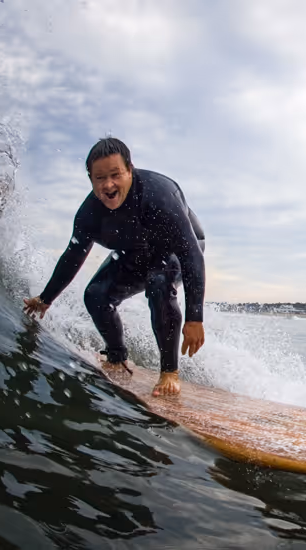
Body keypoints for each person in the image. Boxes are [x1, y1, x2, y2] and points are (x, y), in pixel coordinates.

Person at [23, 137, 206, 397]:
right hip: (134, 253)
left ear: (129, 170)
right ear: (90, 179)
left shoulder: (159, 195)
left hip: (178, 249)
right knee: (96, 294)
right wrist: (45, 298)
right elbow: (73, 256)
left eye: (115, 174)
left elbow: (191, 255)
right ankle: (117, 357)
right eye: (99, 178)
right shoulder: (89, 215)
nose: (108, 185)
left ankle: (169, 373)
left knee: (158, 284)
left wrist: (195, 317)